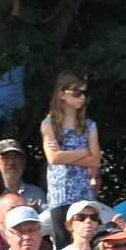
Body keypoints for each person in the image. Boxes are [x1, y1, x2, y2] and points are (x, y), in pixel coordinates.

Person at [39, 73, 99, 209]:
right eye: (77, 93)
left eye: (84, 93)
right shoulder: (49, 124)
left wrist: (63, 154)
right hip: (59, 196)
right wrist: (84, 151)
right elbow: (53, 158)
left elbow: (95, 161)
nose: (82, 97)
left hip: (84, 196)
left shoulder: (89, 126)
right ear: (62, 94)